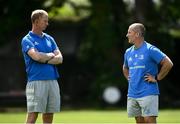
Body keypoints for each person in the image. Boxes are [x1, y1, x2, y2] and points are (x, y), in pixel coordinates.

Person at [123, 23, 173, 123]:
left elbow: (168, 63)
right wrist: (129, 78)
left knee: (149, 121)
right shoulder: (128, 52)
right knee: (139, 121)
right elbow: (125, 68)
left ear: (137, 34)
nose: (127, 35)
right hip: (132, 94)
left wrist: (157, 78)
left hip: (148, 92)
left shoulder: (150, 49)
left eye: (129, 32)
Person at [21, 9, 63, 123]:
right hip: (36, 82)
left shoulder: (50, 39)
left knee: (49, 115)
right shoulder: (27, 40)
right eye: (45, 21)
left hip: (52, 81)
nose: (47, 23)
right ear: (36, 21)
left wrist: (44, 58)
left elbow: (60, 59)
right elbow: (36, 57)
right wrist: (50, 55)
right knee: (32, 116)